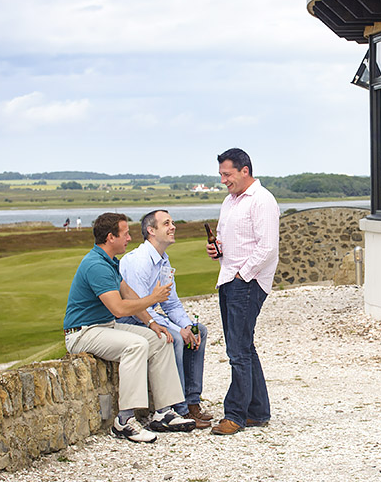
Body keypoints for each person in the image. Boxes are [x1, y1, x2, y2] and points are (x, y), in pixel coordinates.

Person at [63, 212, 196, 443]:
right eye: (124, 234)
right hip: (82, 333)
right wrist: (153, 298)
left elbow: (128, 294)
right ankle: (123, 422)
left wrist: (153, 323)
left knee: (160, 338)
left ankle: (164, 411)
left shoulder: (110, 261)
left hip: (104, 327)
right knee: (136, 345)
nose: (129, 238)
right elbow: (119, 308)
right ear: (110, 237)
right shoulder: (96, 265)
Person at [206, 148, 280, 436]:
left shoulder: (262, 200)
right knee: (245, 347)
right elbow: (228, 240)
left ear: (244, 170)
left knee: (237, 351)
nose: (224, 180)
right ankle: (258, 411)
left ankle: (235, 415)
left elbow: (267, 247)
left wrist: (242, 275)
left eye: (227, 174)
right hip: (228, 279)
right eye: (222, 175)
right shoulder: (229, 201)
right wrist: (217, 249)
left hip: (246, 283)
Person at [117, 209, 213, 428]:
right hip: (132, 319)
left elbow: (171, 303)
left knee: (200, 331)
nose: (173, 227)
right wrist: (178, 330)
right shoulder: (138, 261)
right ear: (151, 231)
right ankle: (178, 408)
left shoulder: (163, 261)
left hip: (148, 316)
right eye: (166, 224)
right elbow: (139, 308)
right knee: (176, 337)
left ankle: (192, 402)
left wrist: (188, 325)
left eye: (172, 222)